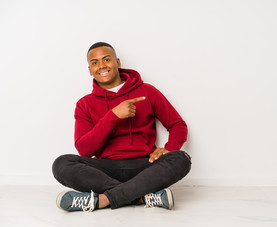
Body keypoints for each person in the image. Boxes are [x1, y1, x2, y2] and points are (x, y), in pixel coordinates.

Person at [52, 42, 191, 212]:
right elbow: (84, 149)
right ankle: (141, 196)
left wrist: (169, 149)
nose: (101, 66)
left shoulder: (147, 92)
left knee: (181, 158)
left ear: (117, 62)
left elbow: (178, 125)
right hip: (105, 170)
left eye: (106, 59)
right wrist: (113, 116)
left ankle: (102, 200)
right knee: (61, 164)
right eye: (94, 63)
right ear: (90, 70)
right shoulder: (84, 104)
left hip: (145, 166)